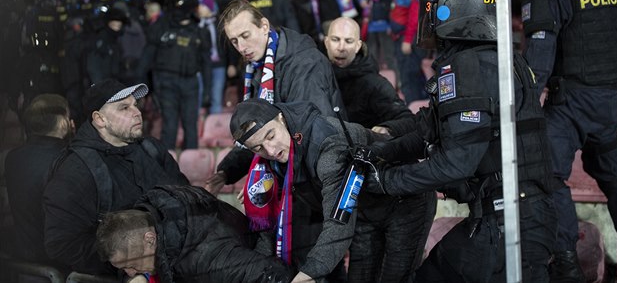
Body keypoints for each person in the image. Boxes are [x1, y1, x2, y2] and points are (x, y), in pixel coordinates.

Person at [362, 0, 557, 282]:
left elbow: (456, 164)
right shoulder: (499, 59)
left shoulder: (467, 67)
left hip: (506, 225)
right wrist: (381, 152)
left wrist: (386, 181)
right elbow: (429, 126)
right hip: (523, 217)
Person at [522, 0, 617, 281]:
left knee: (549, 178)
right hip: (610, 101)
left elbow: (538, 63)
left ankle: (567, 266)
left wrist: (524, 107)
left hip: (570, 104)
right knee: (615, 180)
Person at [324, 16, 436, 282]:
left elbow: (408, 121)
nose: (341, 47)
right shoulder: (319, 82)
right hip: (362, 202)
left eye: (348, 41)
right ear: (325, 42)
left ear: (359, 45)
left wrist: (382, 131)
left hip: (402, 200)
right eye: (336, 40)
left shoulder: (373, 83)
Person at [229, 98, 390, 282]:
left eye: (271, 136)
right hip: (363, 215)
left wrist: (309, 274)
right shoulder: (268, 164)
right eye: (258, 148)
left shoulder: (325, 143)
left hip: (399, 205)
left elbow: (339, 217)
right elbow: (270, 224)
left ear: (281, 118)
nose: (271, 151)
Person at [43, 79, 190, 275]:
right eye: (124, 108)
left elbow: (185, 198)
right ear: (99, 119)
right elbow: (62, 245)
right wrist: (130, 265)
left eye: (135, 105)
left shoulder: (152, 148)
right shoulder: (76, 171)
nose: (137, 112)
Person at [206, 0, 345, 194]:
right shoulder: (256, 68)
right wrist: (226, 172)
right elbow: (255, 130)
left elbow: (314, 131)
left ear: (264, 26)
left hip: (320, 179)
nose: (241, 46)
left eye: (245, 35)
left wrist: (270, 181)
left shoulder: (304, 62)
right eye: (235, 41)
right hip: (295, 177)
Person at [95, 185, 293, 283]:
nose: (130, 273)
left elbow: (277, 276)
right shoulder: (163, 211)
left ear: (149, 239)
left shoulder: (209, 259)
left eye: (131, 264)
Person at [5, 94, 74, 263]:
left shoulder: (13, 158)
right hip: (57, 260)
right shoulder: (67, 160)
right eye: (68, 116)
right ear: (62, 122)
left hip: (24, 255)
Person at [142, 0, 213, 150]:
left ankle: (192, 164)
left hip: (190, 83)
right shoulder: (161, 28)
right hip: (167, 82)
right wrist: (145, 85)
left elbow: (206, 64)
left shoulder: (199, 32)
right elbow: (147, 60)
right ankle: (168, 164)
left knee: (190, 124)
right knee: (170, 125)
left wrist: (207, 91)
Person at [385, 0, 428, 102]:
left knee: (410, 78)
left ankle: (415, 116)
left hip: (409, 38)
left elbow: (416, 12)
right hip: (401, 36)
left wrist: (407, 39)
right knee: (409, 77)